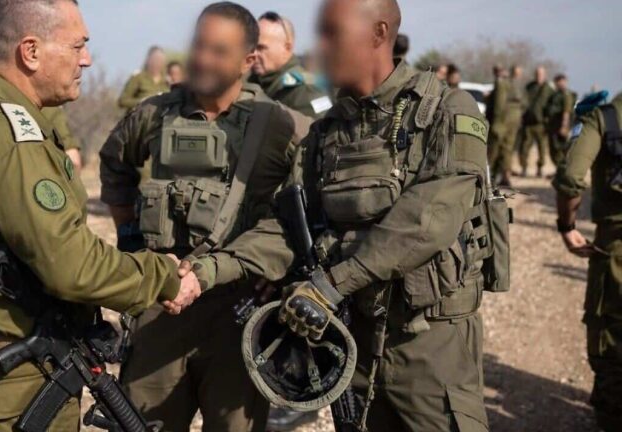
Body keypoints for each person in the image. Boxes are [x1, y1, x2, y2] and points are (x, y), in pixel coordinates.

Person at [183, 0, 498, 430]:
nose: (322, 48)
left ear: (378, 33)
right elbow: (286, 224)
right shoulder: (326, 133)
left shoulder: (445, 110)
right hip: (351, 341)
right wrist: (207, 270)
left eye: (334, 34)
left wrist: (329, 286)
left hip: (429, 345)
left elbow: (426, 221)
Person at [0, 1, 201, 430]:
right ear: (30, 51)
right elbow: (70, 264)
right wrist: (162, 277)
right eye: (77, 45)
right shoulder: (7, 132)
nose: (86, 59)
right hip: (13, 373)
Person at [100, 3, 303, 431]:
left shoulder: (279, 125)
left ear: (248, 60)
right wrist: (130, 237)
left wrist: (283, 270)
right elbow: (114, 163)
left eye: (219, 51)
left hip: (239, 314)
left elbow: (311, 201)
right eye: (198, 46)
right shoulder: (154, 113)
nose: (203, 59)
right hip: (161, 306)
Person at [552, 92, 622, 432]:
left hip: (616, 255)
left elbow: (570, 178)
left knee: (612, 351)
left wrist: (567, 226)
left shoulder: (604, 117)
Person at [249, 11, 332, 119]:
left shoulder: (305, 91)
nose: (254, 54)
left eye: (261, 48)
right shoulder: (253, 82)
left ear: (287, 48)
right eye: (252, 48)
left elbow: (322, 126)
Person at [488, 65, 525, 186]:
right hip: (513, 119)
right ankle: (505, 176)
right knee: (507, 148)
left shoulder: (501, 83)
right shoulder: (514, 84)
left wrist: (496, 122)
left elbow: (499, 104)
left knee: (494, 148)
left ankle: (489, 175)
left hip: (502, 120)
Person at [518, 66, 554, 177]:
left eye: (541, 74)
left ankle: (540, 168)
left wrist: (548, 119)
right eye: (537, 74)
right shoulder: (529, 87)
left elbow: (552, 105)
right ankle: (524, 168)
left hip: (541, 124)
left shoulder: (549, 89)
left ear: (545, 75)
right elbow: (523, 101)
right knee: (524, 147)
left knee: (542, 149)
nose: (539, 76)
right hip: (528, 123)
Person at [118, 45, 170, 111]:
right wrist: (142, 101)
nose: (157, 62)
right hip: (139, 114)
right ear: (148, 60)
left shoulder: (168, 80)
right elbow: (123, 101)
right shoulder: (138, 77)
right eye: (155, 59)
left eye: (160, 60)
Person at [545, 74, 577, 168]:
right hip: (554, 126)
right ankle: (559, 170)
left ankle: (562, 171)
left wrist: (564, 126)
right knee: (554, 149)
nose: (560, 84)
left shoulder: (566, 94)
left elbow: (566, 111)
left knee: (561, 149)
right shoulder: (555, 94)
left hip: (561, 126)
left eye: (562, 82)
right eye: (558, 82)